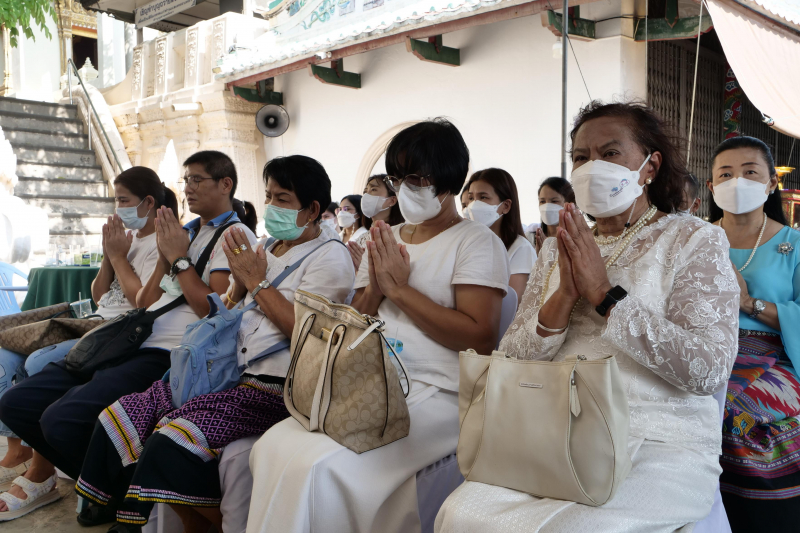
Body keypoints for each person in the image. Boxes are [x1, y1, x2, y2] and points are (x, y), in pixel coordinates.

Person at [435, 101, 739, 533]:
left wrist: (604, 294)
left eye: (610, 153)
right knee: (460, 512)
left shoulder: (693, 239)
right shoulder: (553, 248)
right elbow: (513, 357)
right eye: (580, 157)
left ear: (650, 167)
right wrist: (564, 296)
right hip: (555, 429)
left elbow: (708, 368)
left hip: (657, 439)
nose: (592, 166)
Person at [246, 119, 510, 533]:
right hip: (372, 378)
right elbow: (358, 314)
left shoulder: (475, 241)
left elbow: (479, 336)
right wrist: (378, 290)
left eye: (417, 178)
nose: (405, 188)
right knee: (272, 447)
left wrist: (400, 290)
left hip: (438, 388)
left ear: (448, 178)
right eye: (397, 178)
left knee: (320, 468)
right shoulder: (386, 236)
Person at [72, 155, 355, 533]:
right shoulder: (271, 245)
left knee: (170, 439)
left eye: (282, 199)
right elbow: (234, 306)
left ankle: (202, 523)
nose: (271, 206)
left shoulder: (331, 257)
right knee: (122, 415)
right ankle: (142, 512)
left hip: (274, 385)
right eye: (269, 196)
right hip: (225, 369)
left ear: (314, 209)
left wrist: (255, 282)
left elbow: (307, 332)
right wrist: (238, 290)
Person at [0, 151, 257, 526]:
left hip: (170, 353)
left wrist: (179, 260)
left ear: (225, 184)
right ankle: (106, 488)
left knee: (60, 419)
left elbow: (216, 309)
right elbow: (147, 301)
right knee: (16, 403)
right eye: (185, 180)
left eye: (197, 179)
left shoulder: (235, 235)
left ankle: (119, 496)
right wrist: (152, 256)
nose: (188, 188)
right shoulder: (185, 231)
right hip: (133, 339)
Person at [0, 166, 173, 518]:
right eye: (115, 200)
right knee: (8, 366)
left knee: (37, 364)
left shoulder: (162, 243)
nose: (118, 208)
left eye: (123, 200)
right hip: (94, 324)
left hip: (120, 333)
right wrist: (110, 255)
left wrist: (119, 257)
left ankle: (46, 473)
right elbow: (99, 294)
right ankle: (29, 451)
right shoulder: (126, 238)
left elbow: (142, 302)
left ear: (148, 202)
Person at [708, 136, 800, 532]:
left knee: (733, 413)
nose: (737, 182)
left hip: (774, 354)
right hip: (704, 348)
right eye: (726, 174)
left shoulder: (794, 245)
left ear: (771, 183)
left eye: (750, 172)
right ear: (711, 186)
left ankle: (757, 519)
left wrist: (748, 303)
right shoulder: (696, 239)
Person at [464, 168, 535, 302]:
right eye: (471, 198)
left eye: (483, 197)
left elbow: (511, 304)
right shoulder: (470, 244)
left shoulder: (520, 248)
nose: (474, 205)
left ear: (506, 206)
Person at [347, 173, 404, 271]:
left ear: (392, 200)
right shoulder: (362, 238)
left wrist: (365, 267)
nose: (366, 195)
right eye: (365, 191)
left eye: (373, 189)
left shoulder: (401, 234)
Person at [535, 176, 575, 254]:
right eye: (542, 201)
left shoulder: (576, 239)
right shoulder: (532, 236)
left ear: (569, 203)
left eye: (554, 201)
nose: (547, 207)